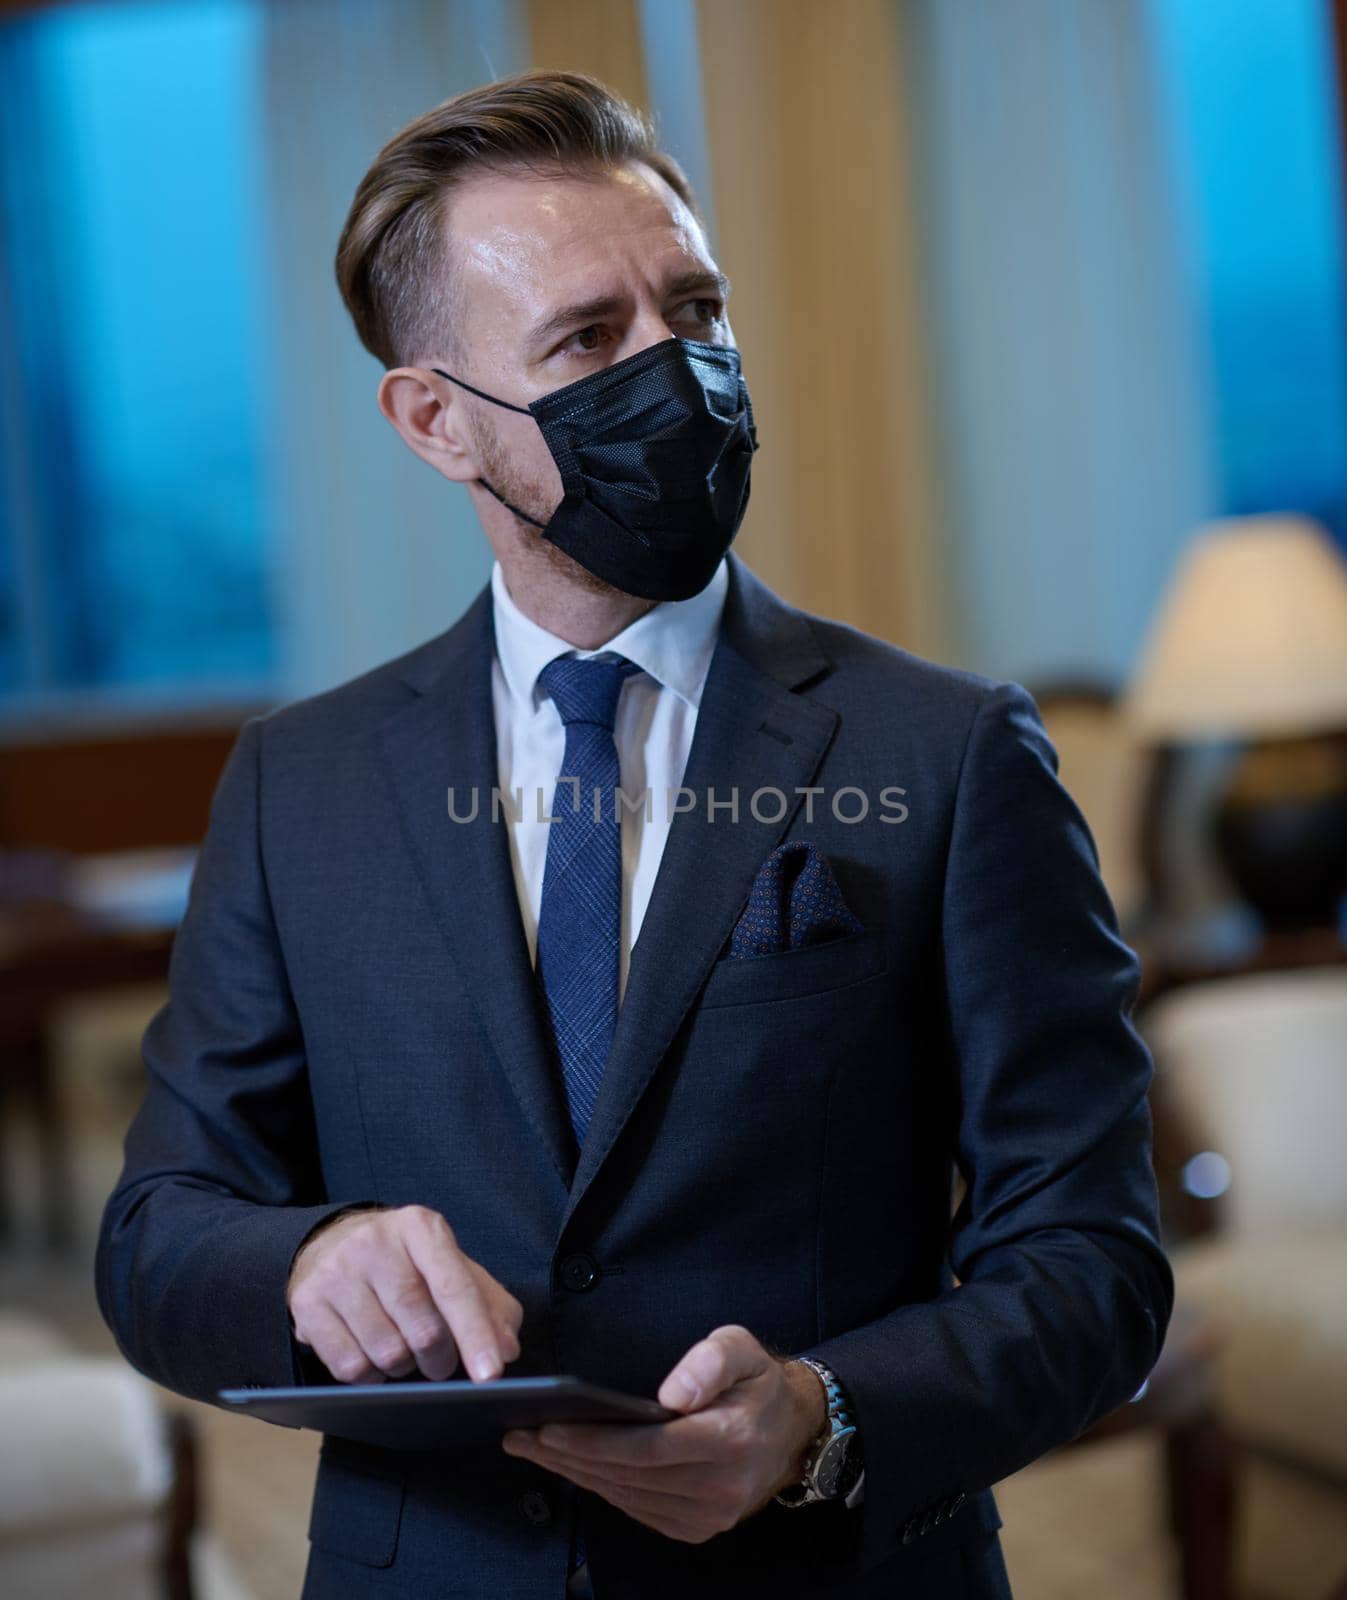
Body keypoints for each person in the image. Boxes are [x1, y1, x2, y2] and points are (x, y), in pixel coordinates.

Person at [96, 69, 1173, 1600]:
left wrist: (826, 1419)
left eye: (698, 311)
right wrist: (307, 1262)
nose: (679, 375)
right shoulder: (298, 786)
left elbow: (1094, 1265)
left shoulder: (949, 751)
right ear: (434, 421)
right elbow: (154, 1236)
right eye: (590, 340)